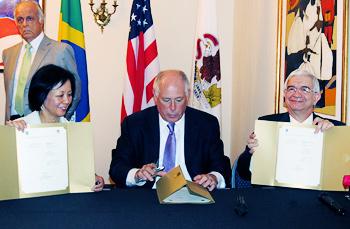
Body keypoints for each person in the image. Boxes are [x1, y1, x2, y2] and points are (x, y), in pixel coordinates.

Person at [109, 70, 229, 191]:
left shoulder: (207, 124)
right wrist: (137, 174)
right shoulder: (135, 124)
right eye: (166, 100)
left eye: (179, 100)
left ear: (187, 96)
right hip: (148, 196)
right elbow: (117, 168)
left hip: (193, 196)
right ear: (156, 97)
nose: (173, 107)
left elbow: (221, 166)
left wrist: (213, 177)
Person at [236, 69, 345, 182]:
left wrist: (334, 138)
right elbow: (244, 173)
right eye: (291, 89)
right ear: (285, 94)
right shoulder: (267, 124)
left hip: (319, 197)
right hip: (276, 195)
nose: (296, 94)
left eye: (305, 89)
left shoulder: (336, 128)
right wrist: (250, 153)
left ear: (316, 97)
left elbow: (343, 176)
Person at [6, 64, 103, 192]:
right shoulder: (20, 127)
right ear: (42, 95)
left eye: (69, 94)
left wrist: (93, 178)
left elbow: (79, 170)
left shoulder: (73, 131)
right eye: (60, 95)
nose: (67, 101)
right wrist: (8, 136)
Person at [2, 0, 81, 122]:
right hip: (13, 124)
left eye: (29, 19)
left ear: (41, 20)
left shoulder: (60, 51)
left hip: (44, 126)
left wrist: (59, 120)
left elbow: (75, 92)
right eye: (20, 20)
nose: (24, 24)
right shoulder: (8, 53)